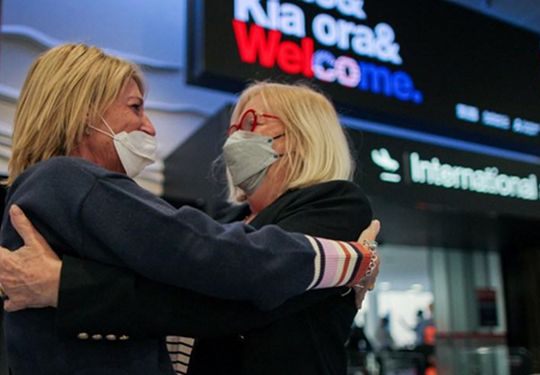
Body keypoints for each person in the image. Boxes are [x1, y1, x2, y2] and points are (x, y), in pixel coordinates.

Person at [0, 43, 378, 374]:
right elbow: (212, 265)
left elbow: (224, 294)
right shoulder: (69, 181)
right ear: (84, 111)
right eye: (232, 128)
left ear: (302, 135)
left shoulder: (334, 204)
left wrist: (69, 288)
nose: (148, 126)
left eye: (249, 123)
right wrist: (352, 259)